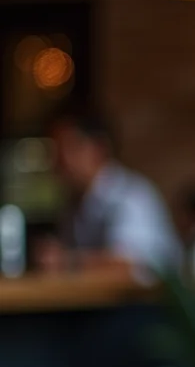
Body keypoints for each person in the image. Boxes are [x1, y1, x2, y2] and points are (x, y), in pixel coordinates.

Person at [37, 112, 181, 280]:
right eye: (54, 151)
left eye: (68, 148)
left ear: (99, 148)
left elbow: (126, 265)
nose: (58, 160)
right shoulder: (75, 203)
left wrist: (66, 261)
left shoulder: (131, 196)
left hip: (149, 305)